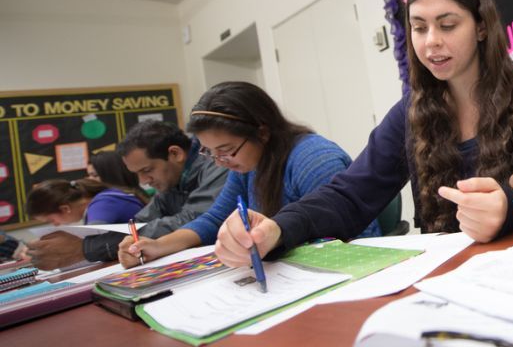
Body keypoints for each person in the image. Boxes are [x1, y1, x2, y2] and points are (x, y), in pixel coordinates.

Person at [212, 0, 513, 269]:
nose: (431, 41)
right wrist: (279, 227)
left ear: (481, 27)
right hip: (448, 278)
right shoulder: (411, 113)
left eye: (448, 25)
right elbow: (350, 194)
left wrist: (512, 212)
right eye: (419, 28)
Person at [117, 82, 381, 267]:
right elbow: (214, 219)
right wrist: (159, 246)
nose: (220, 163)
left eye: (226, 151)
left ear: (262, 133)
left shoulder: (314, 160)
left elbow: (352, 238)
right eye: (210, 153)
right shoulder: (247, 165)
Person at [25, 121, 227, 270]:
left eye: (147, 170)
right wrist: (114, 242)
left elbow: (192, 219)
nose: (143, 181)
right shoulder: (173, 178)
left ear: (175, 154)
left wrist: (86, 248)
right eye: (137, 173)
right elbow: (139, 221)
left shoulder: (217, 166)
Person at [26, 178, 144, 225]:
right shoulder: (101, 201)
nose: (55, 225)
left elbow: (92, 242)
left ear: (65, 209)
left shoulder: (101, 205)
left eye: (51, 220)